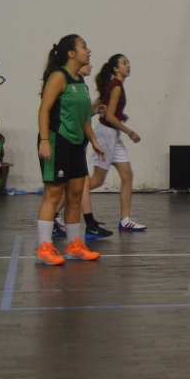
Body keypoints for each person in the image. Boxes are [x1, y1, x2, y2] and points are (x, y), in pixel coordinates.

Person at [34, 34, 106, 266]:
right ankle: (45, 248)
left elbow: (84, 119)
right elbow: (44, 110)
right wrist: (45, 140)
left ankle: (74, 246)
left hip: (76, 144)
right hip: (57, 140)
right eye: (84, 46)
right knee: (54, 194)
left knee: (75, 194)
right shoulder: (58, 77)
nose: (89, 50)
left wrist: (94, 141)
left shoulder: (80, 81)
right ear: (71, 53)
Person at [89, 54, 147, 232]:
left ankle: (125, 220)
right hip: (105, 136)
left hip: (113, 135)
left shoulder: (112, 84)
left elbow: (102, 107)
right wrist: (130, 132)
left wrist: (121, 116)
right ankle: (56, 212)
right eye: (124, 63)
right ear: (115, 69)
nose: (128, 65)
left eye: (128, 62)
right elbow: (109, 117)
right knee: (96, 181)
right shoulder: (116, 86)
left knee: (127, 175)